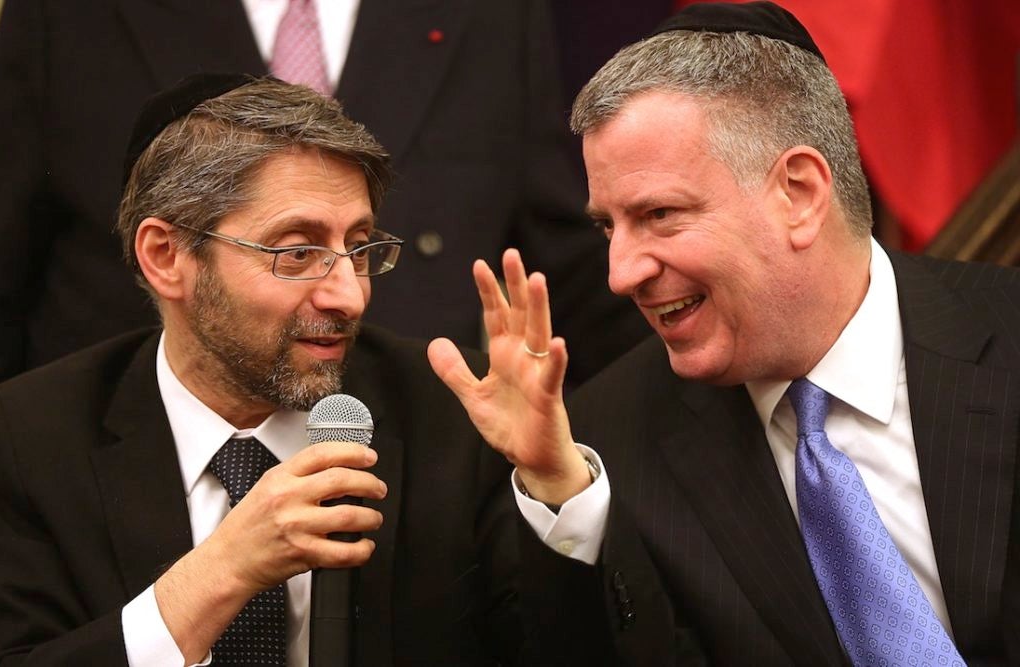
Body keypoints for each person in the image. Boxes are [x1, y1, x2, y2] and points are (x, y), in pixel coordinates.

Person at [428, 2, 1020, 665]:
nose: (620, 274)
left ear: (797, 192)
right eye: (606, 226)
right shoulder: (610, 444)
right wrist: (553, 482)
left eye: (659, 214)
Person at [0, 75, 524, 666]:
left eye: (359, 247)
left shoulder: (455, 413)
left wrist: (558, 489)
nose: (349, 296)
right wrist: (221, 572)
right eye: (297, 253)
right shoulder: (24, 441)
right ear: (166, 257)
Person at [0, 0, 647, 386]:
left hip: (405, 499)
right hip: (132, 487)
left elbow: (571, 268)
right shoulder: (69, 12)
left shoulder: (486, 11)